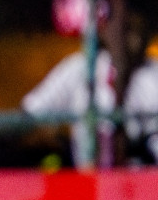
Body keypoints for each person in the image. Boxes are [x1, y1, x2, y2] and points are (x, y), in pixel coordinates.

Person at [23, 11, 158, 163]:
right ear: (105, 31)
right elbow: (31, 113)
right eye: (128, 29)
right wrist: (53, 135)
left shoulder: (154, 73)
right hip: (89, 178)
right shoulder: (81, 67)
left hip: (145, 179)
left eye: (141, 29)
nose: (136, 39)